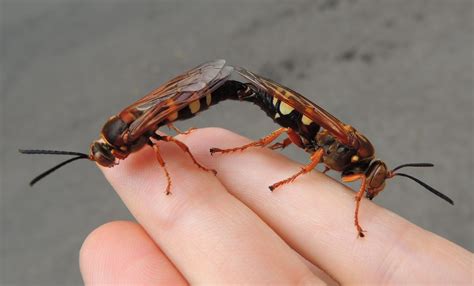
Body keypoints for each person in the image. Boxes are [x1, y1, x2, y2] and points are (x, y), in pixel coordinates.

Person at [79, 128, 472, 285]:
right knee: (289, 136)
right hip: (296, 127)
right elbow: (320, 151)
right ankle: (248, 150)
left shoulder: (358, 170)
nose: (374, 188)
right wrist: (299, 175)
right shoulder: (353, 155)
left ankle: (250, 151)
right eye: (377, 181)